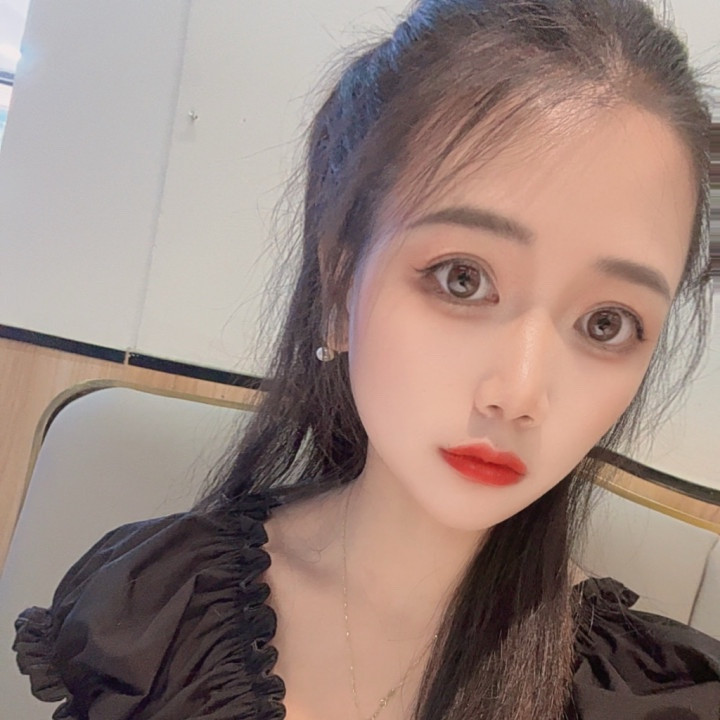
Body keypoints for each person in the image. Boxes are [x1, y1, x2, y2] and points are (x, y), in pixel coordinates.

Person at [12, 0, 720, 718]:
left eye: (606, 323)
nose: (518, 393)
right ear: (341, 285)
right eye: (462, 278)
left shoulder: (654, 700)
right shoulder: (156, 617)